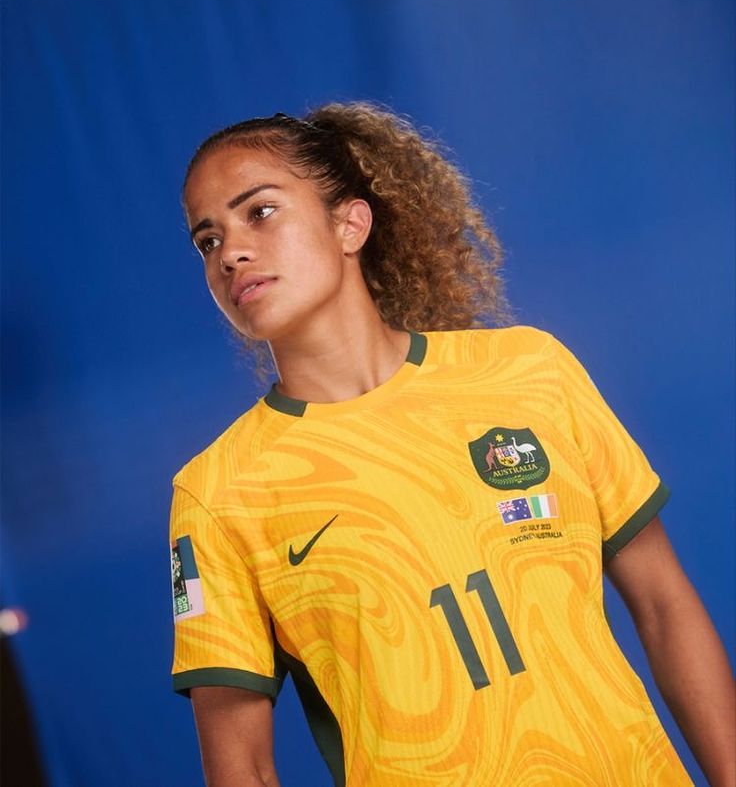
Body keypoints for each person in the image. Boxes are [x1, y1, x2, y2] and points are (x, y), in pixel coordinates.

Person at [169, 103, 735, 787]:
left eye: (258, 212)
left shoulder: (531, 371)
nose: (231, 252)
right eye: (207, 240)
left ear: (349, 224)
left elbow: (665, 605)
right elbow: (243, 769)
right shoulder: (218, 490)